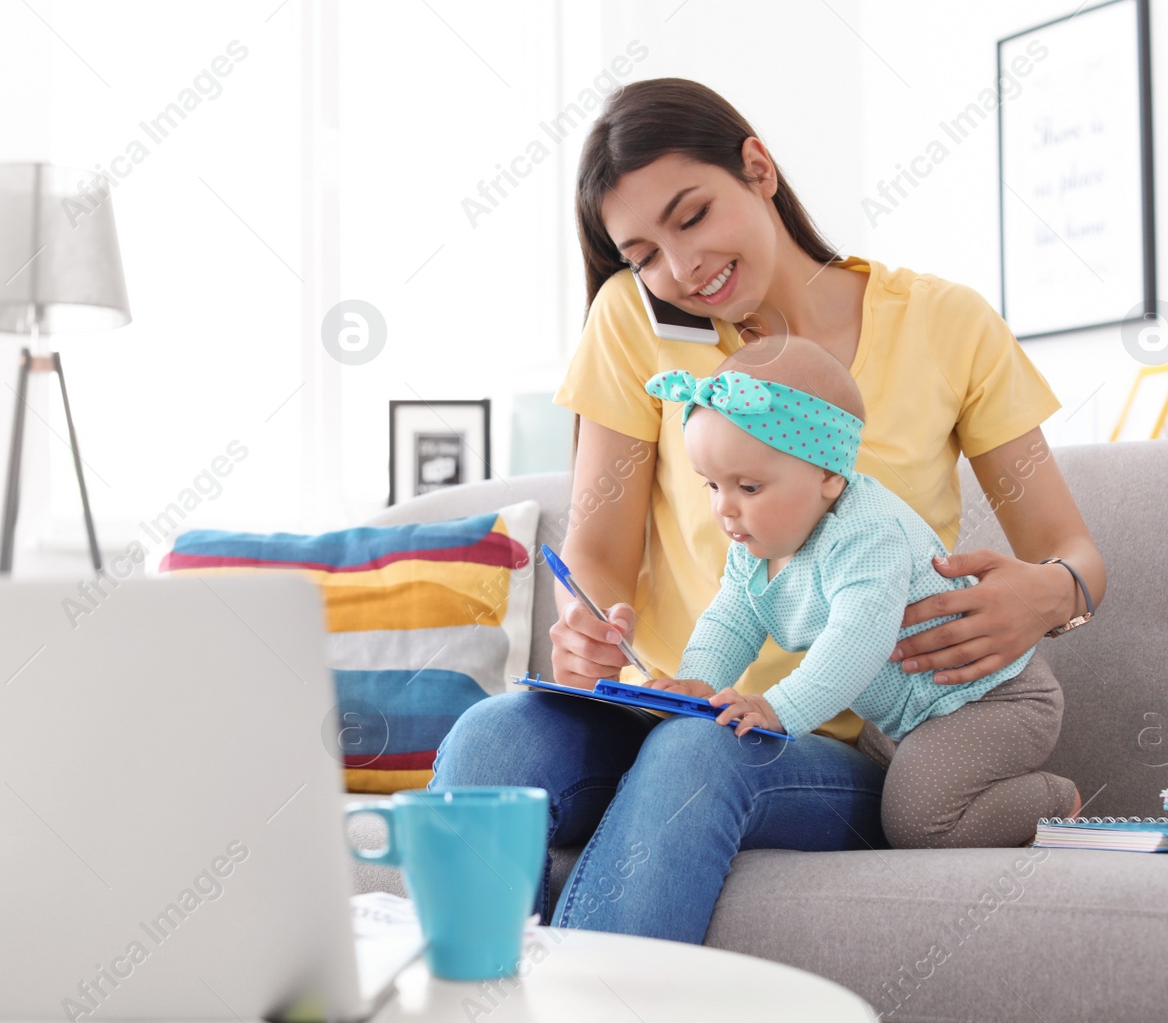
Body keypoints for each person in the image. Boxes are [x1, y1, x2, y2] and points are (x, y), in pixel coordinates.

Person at [428, 77, 1105, 946]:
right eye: (641, 252)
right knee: (495, 740)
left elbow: (1070, 551)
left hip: (836, 742)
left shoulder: (947, 324)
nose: (679, 268)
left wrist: (1051, 595)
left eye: (692, 215)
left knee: (700, 751)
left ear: (758, 168)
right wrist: (587, 625)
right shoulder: (634, 327)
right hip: (671, 701)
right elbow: (596, 551)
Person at [638, 339, 1082, 850]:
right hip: (905, 720)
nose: (725, 510)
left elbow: (856, 644)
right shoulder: (758, 543)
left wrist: (776, 708)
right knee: (875, 805)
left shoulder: (868, 535)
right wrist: (700, 681)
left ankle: (1053, 800)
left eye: (749, 487)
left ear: (828, 474)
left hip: (990, 701)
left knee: (918, 824)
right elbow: (731, 619)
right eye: (712, 486)